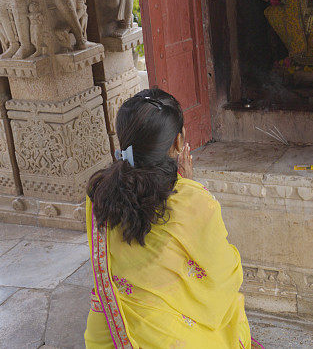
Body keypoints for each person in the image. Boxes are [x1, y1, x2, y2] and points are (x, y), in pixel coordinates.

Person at [83, 88, 260, 348]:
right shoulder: (193, 200)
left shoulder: (100, 192)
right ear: (178, 142)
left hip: (110, 334)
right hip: (171, 340)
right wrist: (190, 186)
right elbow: (224, 274)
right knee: (228, 310)